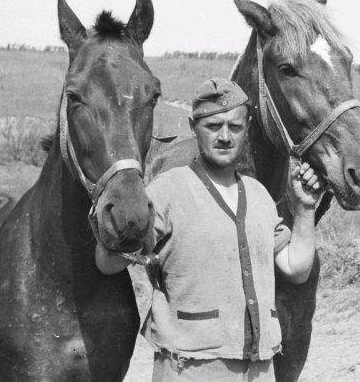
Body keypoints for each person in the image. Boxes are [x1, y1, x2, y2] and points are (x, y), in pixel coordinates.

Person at [96, 77, 323, 381]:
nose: (225, 137)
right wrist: (118, 229)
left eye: (235, 127)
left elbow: (296, 268)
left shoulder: (259, 196)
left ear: (248, 128)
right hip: (191, 368)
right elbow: (108, 263)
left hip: (258, 369)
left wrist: (305, 209)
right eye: (213, 126)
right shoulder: (167, 191)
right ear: (193, 127)